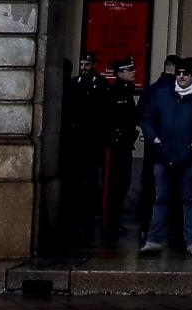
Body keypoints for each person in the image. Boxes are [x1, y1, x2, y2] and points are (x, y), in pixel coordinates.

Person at [137, 57, 192, 256]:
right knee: (161, 198)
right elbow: (146, 118)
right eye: (179, 73)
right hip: (163, 156)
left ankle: (191, 241)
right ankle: (154, 240)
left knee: (189, 200)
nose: (181, 77)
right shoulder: (162, 95)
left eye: (186, 74)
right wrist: (154, 138)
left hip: (189, 157)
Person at [58, 53, 107, 251]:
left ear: (94, 65)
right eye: (82, 64)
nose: (84, 67)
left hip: (90, 140)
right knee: (76, 179)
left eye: (87, 64)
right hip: (76, 140)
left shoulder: (99, 83)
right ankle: (77, 213)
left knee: (90, 178)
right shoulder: (74, 82)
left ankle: (88, 212)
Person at [95, 56, 141, 250]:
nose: (133, 72)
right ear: (120, 73)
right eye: (129, 69)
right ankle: (108, 221)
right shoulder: (112, 93)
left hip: (125, 145)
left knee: (124, 182)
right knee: (110, 184)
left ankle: (114, 218)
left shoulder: (127, 92)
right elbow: (105, 120)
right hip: (113, 146)